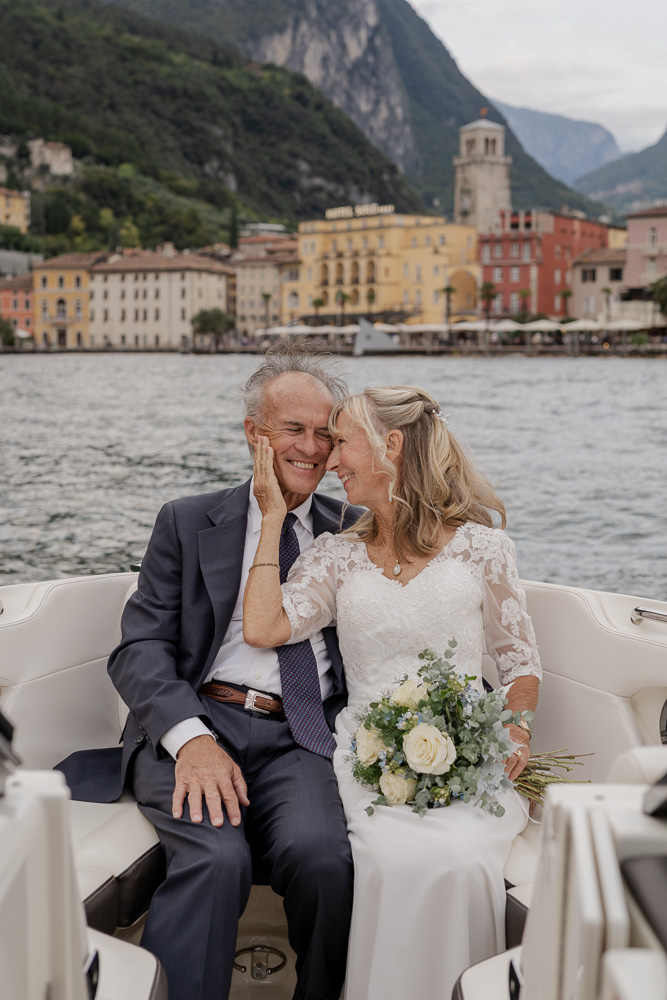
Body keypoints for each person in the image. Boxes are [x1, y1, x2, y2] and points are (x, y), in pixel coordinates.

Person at [58, 349, 361, 1000]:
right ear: (254, 434)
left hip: (302, 735)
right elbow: (139, 646)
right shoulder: (187, 520)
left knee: (325, 859)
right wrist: (190, 740)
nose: (310, 448)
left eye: (324, 433)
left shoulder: (354, 532)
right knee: (216, 859)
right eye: (292, 430)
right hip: (199, 722)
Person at [244, 384, 542, 1000]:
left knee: (461, 860)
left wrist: (516, 729)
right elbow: (264, 626)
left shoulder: (484, 549)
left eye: (342, 441)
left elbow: (519, 664)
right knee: (388, 860)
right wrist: (273, 516)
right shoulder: (336, 557)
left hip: (469, 757)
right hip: (370, 757)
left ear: (392, 444)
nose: (330, 460)